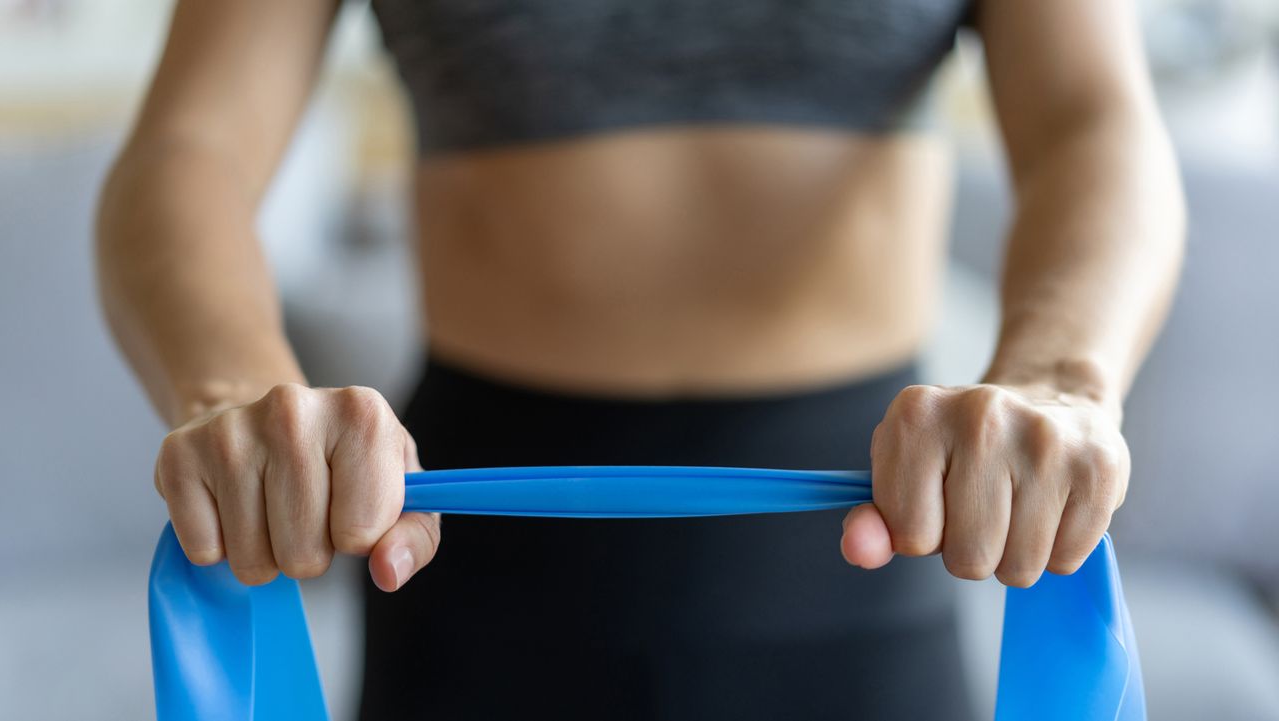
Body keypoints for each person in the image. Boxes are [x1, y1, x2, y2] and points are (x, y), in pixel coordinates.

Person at [95, 1, 1185, 719]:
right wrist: (232, 391)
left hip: (862, 546)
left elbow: (1094, 122)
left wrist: (1061, 376)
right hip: (468, 557)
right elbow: (188, 146)